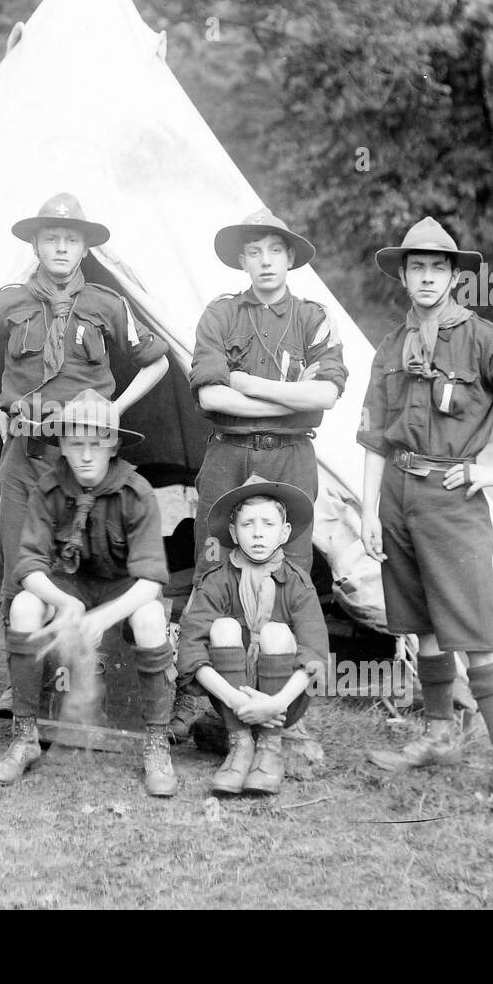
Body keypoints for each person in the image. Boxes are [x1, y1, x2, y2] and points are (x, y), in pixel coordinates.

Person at [357, 216, 493, 813]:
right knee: (420, 624)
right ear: (402, 275)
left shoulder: (487, 340)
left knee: (474, 631)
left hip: (453, 498)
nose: (425, 277)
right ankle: (440, 735)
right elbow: (372, 438)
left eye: (436, 268)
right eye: (415, 267)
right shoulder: (392, 347)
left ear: (453, 276)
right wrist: (369, 510)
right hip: (397, 494)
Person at [0, 193, 169, 716]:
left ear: (87, 245)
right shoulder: (9, 302)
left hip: (82, 461)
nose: (61, 247)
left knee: (75, 566)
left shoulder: (107, 305)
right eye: (51, 238)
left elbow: (156, 363)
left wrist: (114, 409)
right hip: (25, 456)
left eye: (72, 239)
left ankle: (76, 679)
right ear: (35, 244)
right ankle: (16, 681)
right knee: (20, 568)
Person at [174, 208, 347, 741]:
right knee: (212, 568)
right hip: (228, 456)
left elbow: (327, 395)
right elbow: (207, 395)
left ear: (291, 257)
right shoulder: (220, 314)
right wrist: (287, 401)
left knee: (288, 575)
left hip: (292, 455)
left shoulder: (313, 317)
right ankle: (199, 699)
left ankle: (280, 707)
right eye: (254, 251)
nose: (265, 260)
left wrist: (247, 383)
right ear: (242, 260)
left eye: (275, 249)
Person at [0, 390, 178, 797]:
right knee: (23, 605)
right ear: (63, 446)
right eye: (76, 444)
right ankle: (25, 735)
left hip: (122, 586)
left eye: (96, 443)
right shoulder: (49, 488)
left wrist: (103, 617)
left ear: (113, 445)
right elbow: (28, 566)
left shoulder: (136, 491)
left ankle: (156, 743)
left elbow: (151, 579)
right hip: (70, 584)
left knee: (150, 617)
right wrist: (66, 602)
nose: (86, 455)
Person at [176, 476, 329, 795]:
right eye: (247, 524)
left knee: (276, 632)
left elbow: (315, 654)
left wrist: (275, 703)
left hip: (284, 702)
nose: (258, 533)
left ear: (284, 532)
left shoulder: (297, 584)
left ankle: (270, 749)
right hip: (232, 701)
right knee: (223, 627)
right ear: (233, 532)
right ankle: (240, 744)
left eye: (268, 523)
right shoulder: (217, 580)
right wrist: (234, 700)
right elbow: (190, 650)